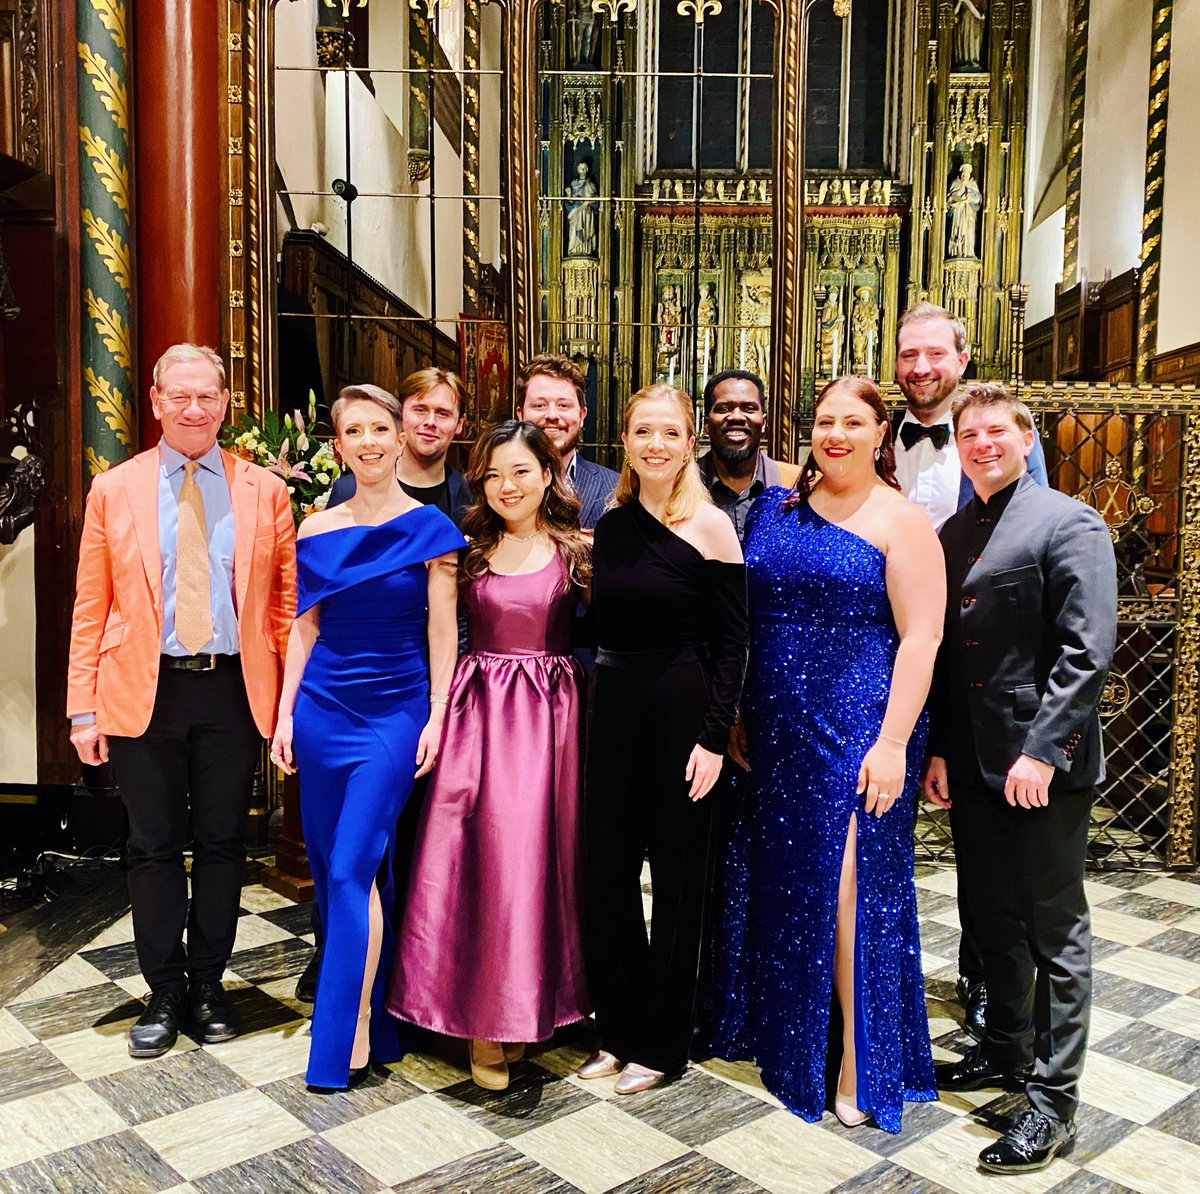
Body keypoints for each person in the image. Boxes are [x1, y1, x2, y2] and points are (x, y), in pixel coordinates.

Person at [706, 376, 943, 1133]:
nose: (835, 434)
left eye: (852, 422)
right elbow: (746, 618)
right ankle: (786, 1039)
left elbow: (922, 638)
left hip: (859, 728)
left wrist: (895, 741)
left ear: (881, 433)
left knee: (847, 890)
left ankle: (856, 1062)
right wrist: (739, 709)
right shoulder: (778, 509)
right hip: (776, 730)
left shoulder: (902, 522)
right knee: (781, 880)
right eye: (823, 420)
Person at [67, 343, 296, 1059]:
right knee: (153, 845)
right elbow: (89, 605)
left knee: (226, 842)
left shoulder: (265, 490)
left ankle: (209, 983)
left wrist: (290, 705)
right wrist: (82, 708)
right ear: (158, 403)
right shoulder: (116, 488)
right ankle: (163, 989)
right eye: (181, 397)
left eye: (208, 397)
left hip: (232, 687)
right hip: (143, 688)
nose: (195, 410)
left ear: (225, 402)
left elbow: (286, 609)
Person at [924, 384, 1116, 1173]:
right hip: (971, 762)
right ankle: (1003, 1050)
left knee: (1054, 931)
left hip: (1042, 765)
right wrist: (939, 747)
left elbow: (1085, 649)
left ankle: (1053, 1101)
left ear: (1024, 437)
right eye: (969, 434)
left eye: (995, 431)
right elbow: (943, 652)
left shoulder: (1071, 520)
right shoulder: (954, 529)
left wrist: (1042, 750)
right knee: (989, 919)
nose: (981, 443)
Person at [270, 385, 465, 1091]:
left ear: (399, 433)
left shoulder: (434, 529)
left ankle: (342, 1030)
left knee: (353, 865)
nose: (371, 441)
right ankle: (376, 1021)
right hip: (322, 710)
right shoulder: (318, 529)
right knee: (333, 874)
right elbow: (306, 627)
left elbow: (443, 630)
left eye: (380, 427)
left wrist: (439, 714)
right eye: (355, 430)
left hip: (394, 713)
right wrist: (286, 715)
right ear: (340, 445)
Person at [389, 421, 591, 1090]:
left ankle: (529, 1006)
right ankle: (481, 1022)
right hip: (479, 715)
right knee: (479, 862)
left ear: (547, 476)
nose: (508, 486)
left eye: (521, 472)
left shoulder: (578, 551)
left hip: (552, 721)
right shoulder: (464, 551)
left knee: (540, 865)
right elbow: (440, 634)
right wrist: (438, 713)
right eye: (495, 475)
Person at [580, 383, 747, 1095]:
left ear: (688, 443)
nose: (655, 443)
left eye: (669, 432)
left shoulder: (711, 527)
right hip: (612, 709)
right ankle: (616, 1027)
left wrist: (713, 739)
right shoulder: (611, 525)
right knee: (606, 876)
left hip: (683, 715)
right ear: (625, 440)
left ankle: (663, 1041)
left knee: (680, 884)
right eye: (642, 431)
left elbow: (736, 645)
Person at [893, 300, 1047, 1041]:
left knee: (990, 851)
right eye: (908, 355)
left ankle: (991, 994)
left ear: (961, 359)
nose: (920, 367)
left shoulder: (1000, 441)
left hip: (971, 667)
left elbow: (1031, 545)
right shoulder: (876, 432)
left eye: (934, 354)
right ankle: (874, 976)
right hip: (886, 659)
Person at [327, 368, 470, 524]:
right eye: (420, 410)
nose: (430, 422)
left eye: (442, 413)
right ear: (400, 415)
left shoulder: (470, 495)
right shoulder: (346, 490)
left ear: (459, 424)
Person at [515, 352, 617, 529]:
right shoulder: (495, 485)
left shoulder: (614, 488)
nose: (552, 415)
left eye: (563, 405)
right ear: (520, 414)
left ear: (582, 415)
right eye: (539, 405)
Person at [698, 369, 800, 542]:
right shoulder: (679, 484)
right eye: (723, 408)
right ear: (706, 424)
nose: (737, 417)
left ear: (764, 423)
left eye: (749, 408)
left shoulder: (798, 484)